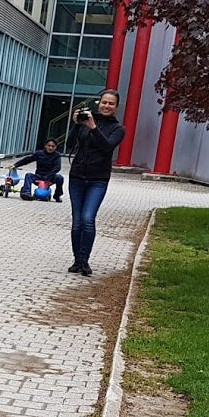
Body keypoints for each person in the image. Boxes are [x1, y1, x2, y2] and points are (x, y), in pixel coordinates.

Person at [66, 89, 126, 277]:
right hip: (77, 177)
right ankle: (77, 261)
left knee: (87, 218)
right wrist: (76, 125)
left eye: (111, 104)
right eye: (104, 102)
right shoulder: (86, 121)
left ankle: (85, 260)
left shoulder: (118, 129)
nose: (106, 106)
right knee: (77, 222)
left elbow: (107, 146)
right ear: (98, 103)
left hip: (97, 179)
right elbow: (69, 145)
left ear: (116, 107)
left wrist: (93, 127)